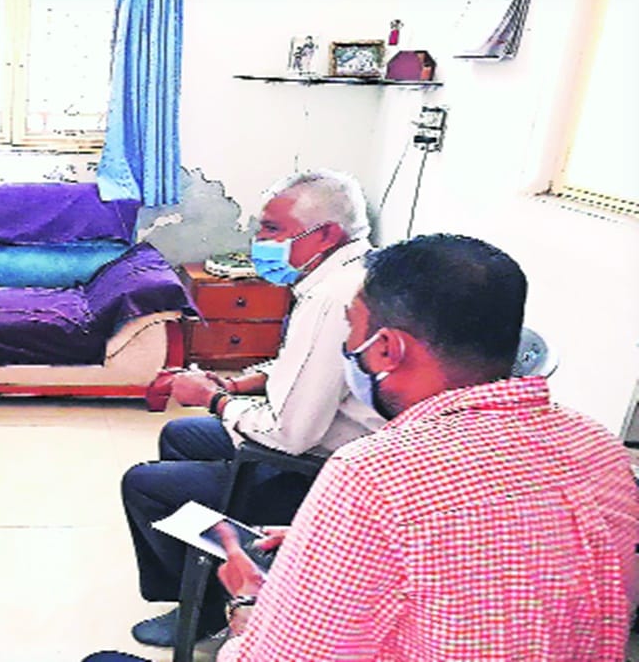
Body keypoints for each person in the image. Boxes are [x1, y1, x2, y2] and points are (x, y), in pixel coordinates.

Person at [211, 234, 639, 660]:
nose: (346, 346)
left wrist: (250, 606)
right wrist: (334, 551)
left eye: (352, 327)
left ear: (386, 348)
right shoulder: (600, 449)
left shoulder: (374, 475)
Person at [122, 170, 385, 646]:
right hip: (320, 433)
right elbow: (297, 365)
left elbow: (292, 434)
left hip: (314, 466)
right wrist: (242, 382)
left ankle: (205, 612)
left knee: (144, 485)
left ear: (326, 233)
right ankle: (197, 587)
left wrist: (214, 398)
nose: (257, 241)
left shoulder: (332, 298)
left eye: (271, 230)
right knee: (179, 437)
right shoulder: (341, 274)